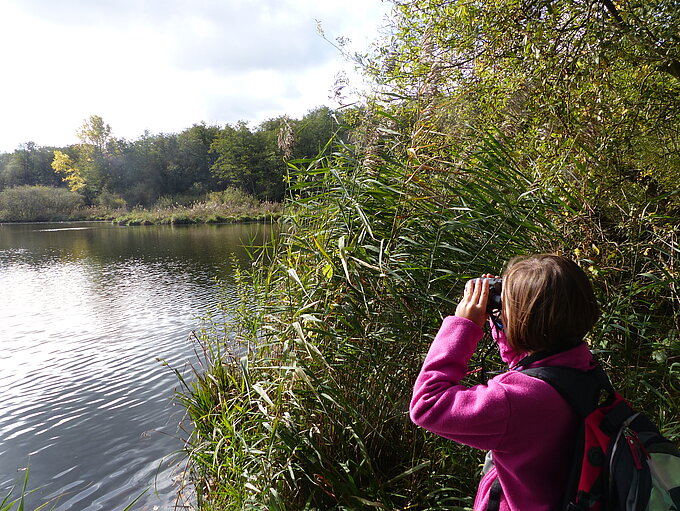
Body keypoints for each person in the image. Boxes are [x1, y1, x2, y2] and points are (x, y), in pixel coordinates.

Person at [409, 254, 601, 511]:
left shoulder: (514, 400)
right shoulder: (582, 366)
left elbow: (427, 404)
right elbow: (529, 365)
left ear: (523, 319)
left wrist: (464, 325)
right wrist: (503, 319)